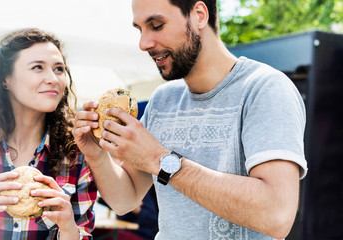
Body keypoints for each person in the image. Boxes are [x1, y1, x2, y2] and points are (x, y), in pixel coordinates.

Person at [73, 0, 308, 239]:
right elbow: (125, 200)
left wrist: (160, 160)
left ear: (198, 15)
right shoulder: (162, 100)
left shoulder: (264, 89)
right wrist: (96, 154)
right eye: (140, 30)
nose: (143, 44)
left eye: (156, 25)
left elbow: (277, 216)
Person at [0, 28, 97, 240]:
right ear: (5, 79)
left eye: (59, 69)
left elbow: (83, 232)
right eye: (38, 67)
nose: (53, 79)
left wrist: (69, 229)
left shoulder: (77, 153)